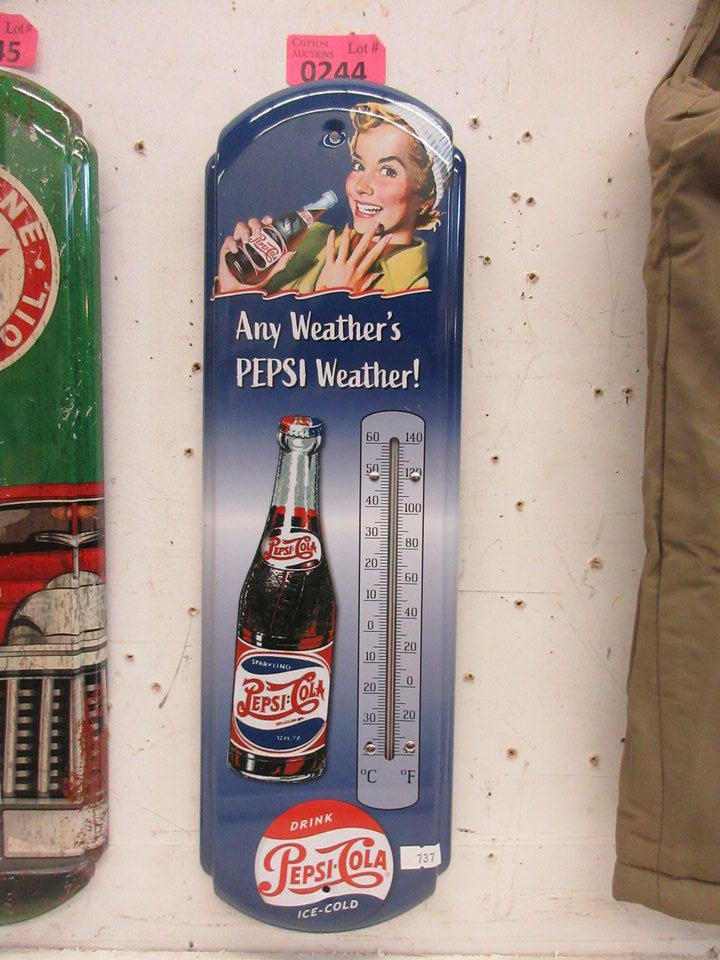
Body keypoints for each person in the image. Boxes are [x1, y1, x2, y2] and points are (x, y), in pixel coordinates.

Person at [216, 101, 453, 296]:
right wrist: (234, 290)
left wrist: (332, 299)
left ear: (426, 197)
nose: (360, 186)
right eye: (359, 165)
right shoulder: (310, 237)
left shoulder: (418, 288)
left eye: (388, 171)